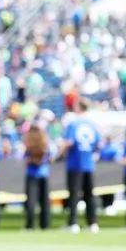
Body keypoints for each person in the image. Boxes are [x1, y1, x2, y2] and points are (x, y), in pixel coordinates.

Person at [61, 99, 100, 233]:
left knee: (74, 195)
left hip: (75, 164)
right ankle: (93, 222)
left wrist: (60, 152)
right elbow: (98, 144)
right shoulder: (92, 124)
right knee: (89, 194)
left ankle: (73, 223)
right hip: (89, 164)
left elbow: (69, 142)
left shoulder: (74, 124)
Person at [23, 125, 52, 230]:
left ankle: (30, 225)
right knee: (44, 201)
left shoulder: (28, 142)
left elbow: (25, 158)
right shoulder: (44, 142)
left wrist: (32, 160)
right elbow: (50, 157)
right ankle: (45, 224)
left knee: (31, 201)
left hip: (32, 175)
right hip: (44, 174)